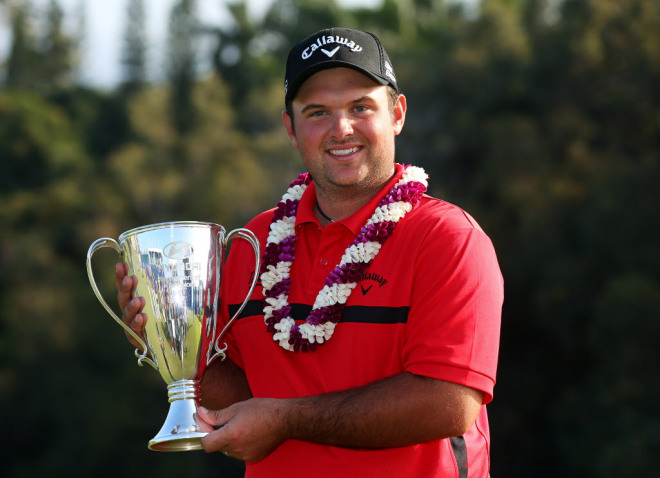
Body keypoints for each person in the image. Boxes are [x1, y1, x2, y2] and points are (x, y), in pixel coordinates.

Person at [116, 27, 503, 477]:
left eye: (361, 107)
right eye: (317, 112)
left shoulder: (448, 238)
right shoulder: (253, 242)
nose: (341, 129)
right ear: (291, 129)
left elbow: (450, 403)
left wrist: (287, 420)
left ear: (397, 114)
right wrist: (164, 339)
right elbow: (240, 396)